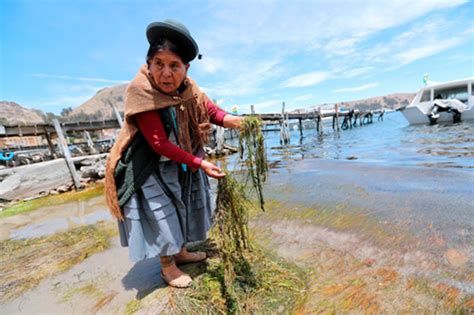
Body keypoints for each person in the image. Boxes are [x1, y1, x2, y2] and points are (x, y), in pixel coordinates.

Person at [104, 19, 242, 288]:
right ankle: (168, 267)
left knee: (183, 210)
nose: (166, 73)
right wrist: (199, 162)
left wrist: (234, 120)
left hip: (179, 163)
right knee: (163, 215)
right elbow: (159, 144)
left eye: (174, 66)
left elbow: (211, 111)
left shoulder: (190, 89)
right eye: (159, 64)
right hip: (149, 167)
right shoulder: (140, 90)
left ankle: (180, 252)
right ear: (149, 63)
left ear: (186, 68)